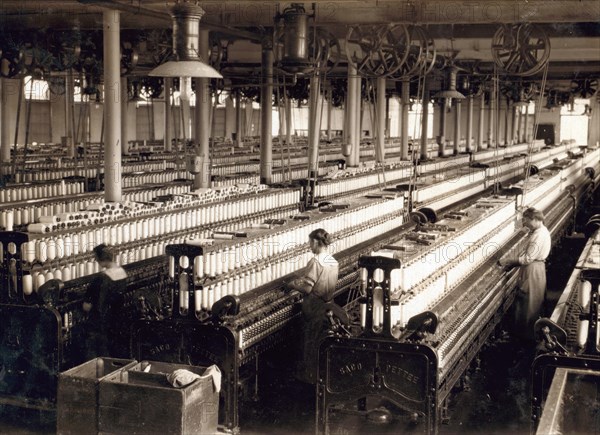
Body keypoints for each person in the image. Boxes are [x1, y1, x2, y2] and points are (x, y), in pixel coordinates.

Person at [286, 228, 339, 384]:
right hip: (328, 304)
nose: (309, 246)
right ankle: (320, 379)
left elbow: (308, 288)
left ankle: (310, 381)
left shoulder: (315, 262)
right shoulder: (332, 261)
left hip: (314, 307)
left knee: (310, 345)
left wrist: (292, 285)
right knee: (320, 344)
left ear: (316, 242)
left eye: (310, 242)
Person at [500, 207, 551, 341]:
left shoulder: (538, 236)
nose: (525, 224)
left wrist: (509, 261)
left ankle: (526, 337)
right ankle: (527, 334)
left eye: (527, 220)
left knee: (528, 302)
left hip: (532, 269)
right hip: (536, 268)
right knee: (532, 301)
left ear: (534, 219)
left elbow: (527, 258)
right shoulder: (541, 231)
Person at [83, 244, 128, 359]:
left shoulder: (102, 278)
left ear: (100, 259)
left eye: (96, 257)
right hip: (119, 319)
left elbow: (95, 304)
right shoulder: (122, 273)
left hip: (105, 323)